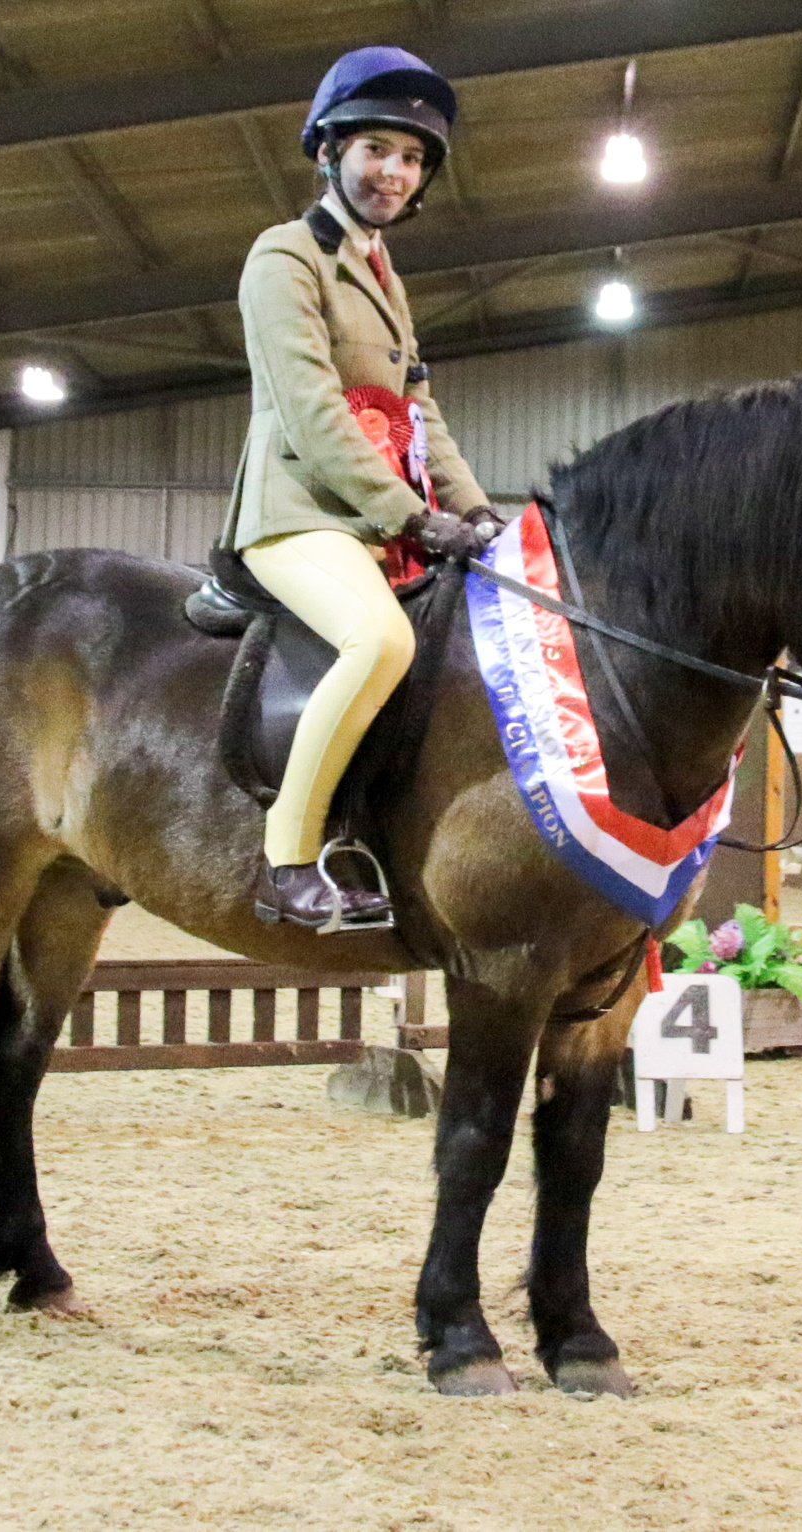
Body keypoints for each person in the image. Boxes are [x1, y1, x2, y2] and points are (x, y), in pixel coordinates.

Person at [220, 45, 497, 931]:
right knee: (379, 642)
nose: (395, 171)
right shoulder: (283, 258)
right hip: (298, 514)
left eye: (412, 158)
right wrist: (412, 515)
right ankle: (287, 857)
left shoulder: (384, 276)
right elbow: (311, 413)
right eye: (377, 148)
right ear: (330, 150)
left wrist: (478, 510)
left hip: (383, 519)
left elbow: (420, 414)